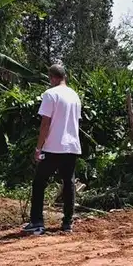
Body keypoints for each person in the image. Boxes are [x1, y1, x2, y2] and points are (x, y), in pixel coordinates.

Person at [23, 64, 82, 236]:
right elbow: (75, 122)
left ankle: (37, 222)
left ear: (52, 77)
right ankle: (67, 223)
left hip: (53, 147)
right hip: (71, 146)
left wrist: (38, 147)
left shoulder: (50, 94)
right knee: (68, 183)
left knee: (39, 183)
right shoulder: (74, 96)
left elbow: (45, 124)